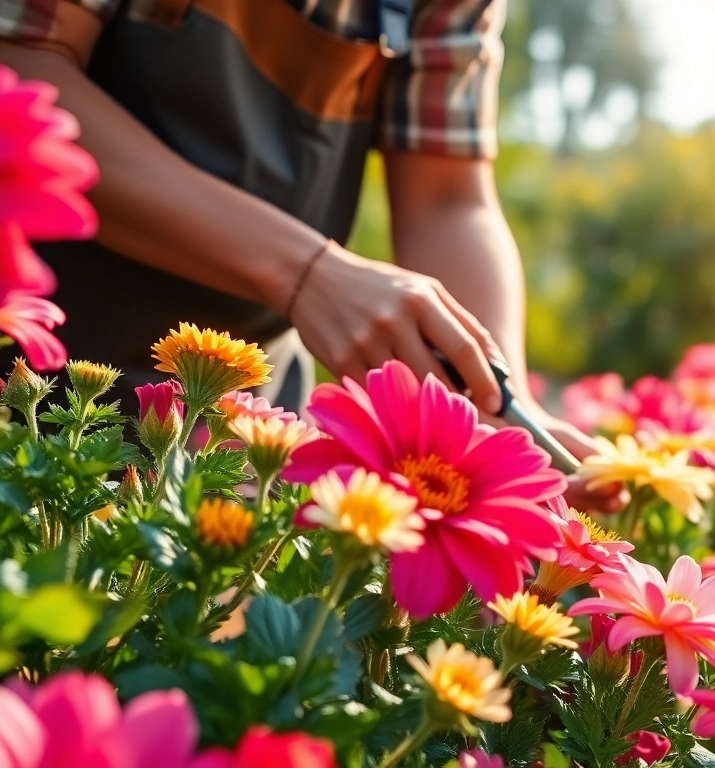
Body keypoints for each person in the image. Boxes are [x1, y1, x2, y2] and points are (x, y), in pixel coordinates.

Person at [0, 0, 623, 511]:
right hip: (30, 368)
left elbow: (448, 197)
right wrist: (304, 272)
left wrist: (495, 402)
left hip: (241, 422)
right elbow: (24, 66)